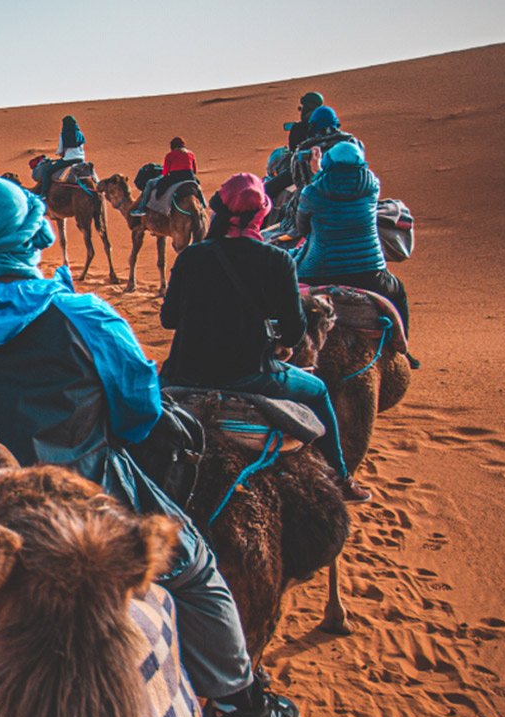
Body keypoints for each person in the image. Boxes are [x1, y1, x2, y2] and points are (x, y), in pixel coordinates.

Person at [0, 177, 302, 717]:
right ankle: (238, 704)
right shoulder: (86, 319)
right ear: (39, 239)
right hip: (79, 531)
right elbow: (139, 417)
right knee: (199, 572)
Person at [161, 174, 370, 502]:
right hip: (252, 376)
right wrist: (280, 343)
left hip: (184, 372)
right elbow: (295, 332)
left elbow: (168, 319)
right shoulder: (278, 261)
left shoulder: (190, 257)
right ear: (262, 216)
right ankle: (341, 478)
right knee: (318, 392)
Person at [292, 140, 411, 336]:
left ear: (329, 162)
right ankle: (403, 348)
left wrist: (318, 171)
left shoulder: (312, 192)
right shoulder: (372, 186)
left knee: (285, 291)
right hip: (369, 272)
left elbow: (302, 227)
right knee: (398, 292)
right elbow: (346, 186)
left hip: (318, 270)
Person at [136, 136, 198, 217]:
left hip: (175, 177)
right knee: (198, 187)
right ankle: (203, 204)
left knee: (151, 183)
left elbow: (165, 172)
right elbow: (195, 171)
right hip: (189, 177)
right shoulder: (191, 154)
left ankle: (142, 208)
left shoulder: (170, 155)